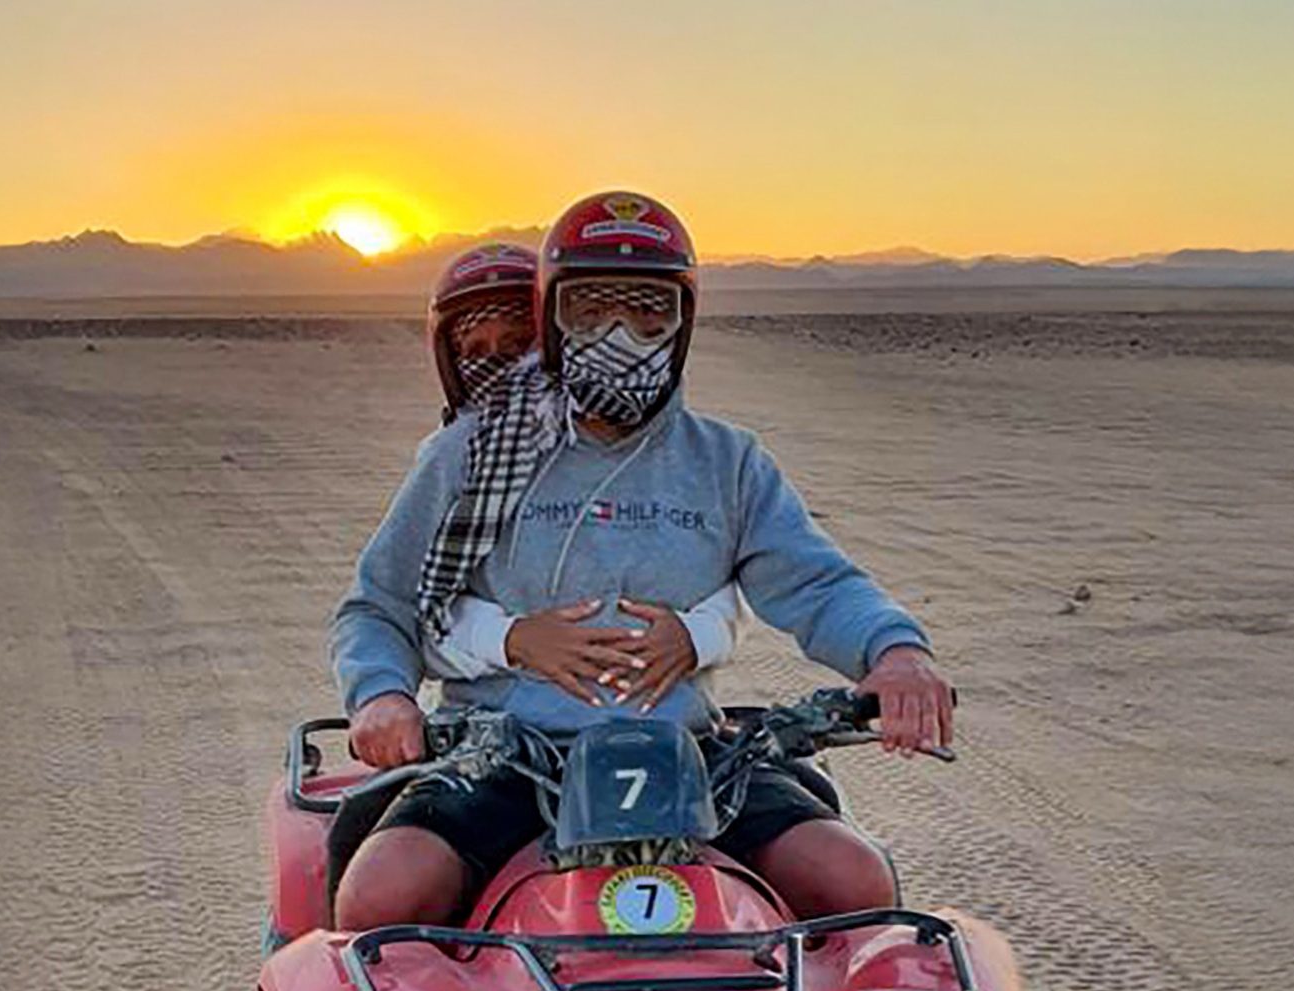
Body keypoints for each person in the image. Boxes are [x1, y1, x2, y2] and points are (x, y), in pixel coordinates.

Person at [331, 191, 954, 931]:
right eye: (590, 311)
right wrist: (382, 697)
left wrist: (896, 653)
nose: (621, 336)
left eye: (648, 312)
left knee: (848, 877)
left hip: (685, 751)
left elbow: (817, 583)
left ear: (683, 322)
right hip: (500, 750)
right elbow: (381, 605)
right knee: (384, 893)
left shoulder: (725, 461)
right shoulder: (469, 454)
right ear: (552, 320)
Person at [424, 242, 745, 693]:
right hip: (493, 736)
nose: (501, 367)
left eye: (520, 346)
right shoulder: (455, 458)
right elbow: (400, 608)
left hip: (668, 736)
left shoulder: (719, 458)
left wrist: (701, 633)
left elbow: (770, 581)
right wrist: (509, 638)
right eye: (477, 351)